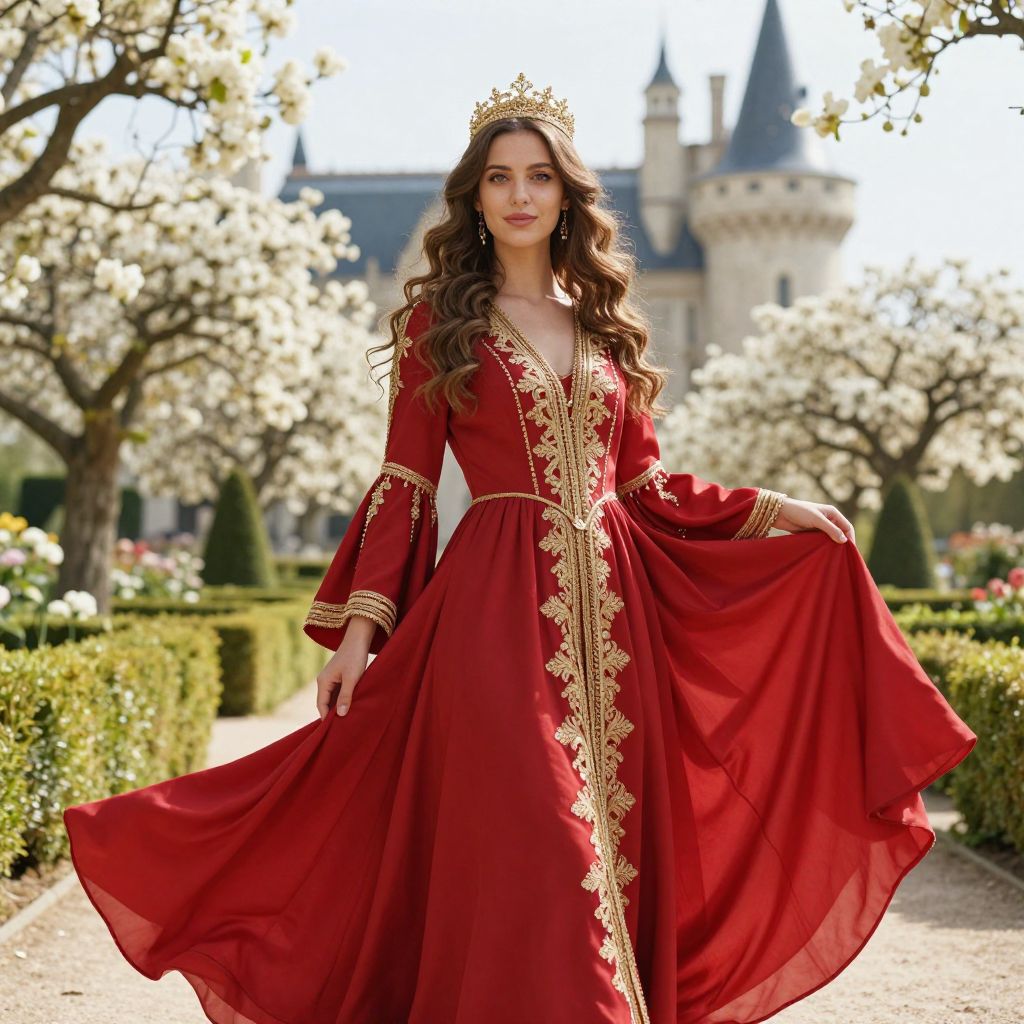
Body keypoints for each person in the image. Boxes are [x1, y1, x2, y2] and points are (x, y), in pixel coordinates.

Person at [63, 73, 976, 1024]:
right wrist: (360, 633)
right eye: (499, 178)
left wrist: (771, 511)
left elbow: (646, 488)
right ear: (476, 196)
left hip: (620, 627)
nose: (520, 195)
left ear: (567, 193)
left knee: (617, 855)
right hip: (491, 617)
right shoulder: (437, 326)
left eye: (539, 176)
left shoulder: (608, 330)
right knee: (545, 841)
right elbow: (406, 484)